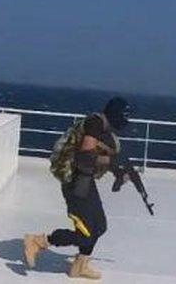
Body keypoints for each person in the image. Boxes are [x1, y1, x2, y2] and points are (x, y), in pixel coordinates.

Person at [23, 97, 132, 280]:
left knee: (99, 226)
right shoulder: (95, 123)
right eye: (124, 115)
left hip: (85, 179)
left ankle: (80, 266)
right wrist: (112, 161)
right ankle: (38, 241)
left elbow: (100, 156)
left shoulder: (104, 130)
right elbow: (85, 157)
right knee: (86, 234)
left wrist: (120, 173)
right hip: (74, 180)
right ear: (115, 114)